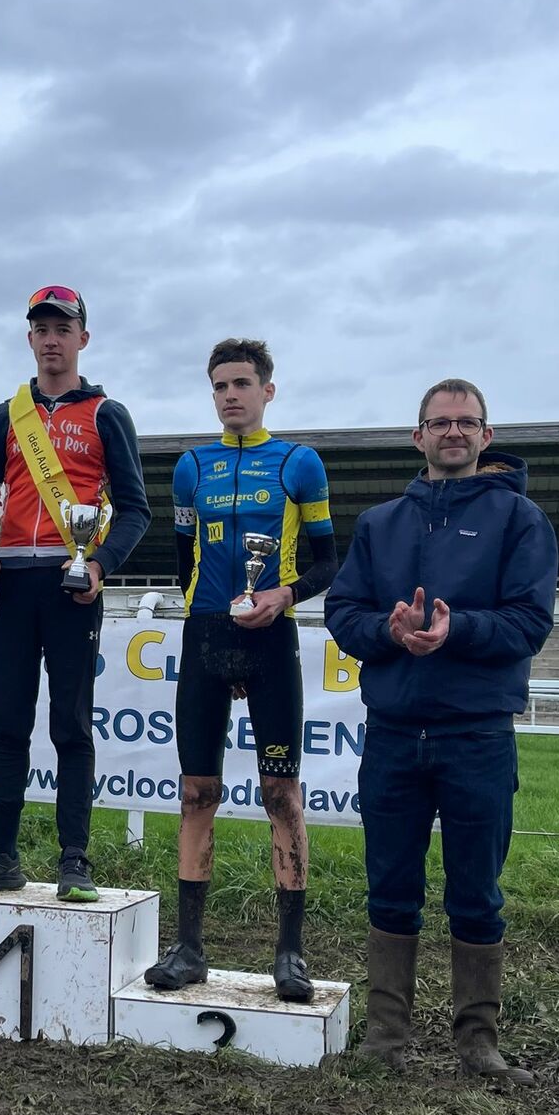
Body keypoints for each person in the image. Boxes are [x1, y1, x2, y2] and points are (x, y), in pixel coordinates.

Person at [325, 378, 555, 1084]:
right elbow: (344, 611)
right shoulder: (380, 524)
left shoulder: (521, 520)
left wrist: (458, 630)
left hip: (477, 734)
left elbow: (529, 622)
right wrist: (388, 633)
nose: (453, 432)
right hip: (394, 732)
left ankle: (478, 1042)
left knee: (476, 891)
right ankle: (386, 1038)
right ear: (417, 435)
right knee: (390, 887)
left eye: (466, 422)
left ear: (487, 435)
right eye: (440, 422)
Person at [145, 338, 338, 1003]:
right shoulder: (191, 467)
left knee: (281, 793)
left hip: (270, 640)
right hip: (205, 636)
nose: (231, 395)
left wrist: (284, 595)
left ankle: (290, 954)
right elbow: (183, 557)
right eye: (221, 386)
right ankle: (189, 948)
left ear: (267, 391)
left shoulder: (298, 463)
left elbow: (327, 561)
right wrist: (210, 620)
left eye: (242, 384)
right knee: (197, 793)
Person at [0, 286, 150, 901]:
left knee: (71, 725)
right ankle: (1, 854)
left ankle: (74, 860)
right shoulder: (3, 417)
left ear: (83, 338)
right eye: (41, 329)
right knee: (8, 722)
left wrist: (101, 565)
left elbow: (136, 509)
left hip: (71, 584)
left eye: (63, 328)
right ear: (29, 338)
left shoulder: (108, 414)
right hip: (9, 584)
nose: (52, 339)